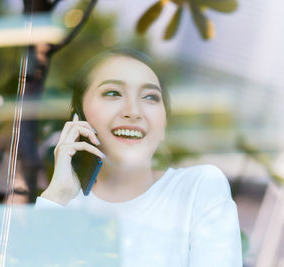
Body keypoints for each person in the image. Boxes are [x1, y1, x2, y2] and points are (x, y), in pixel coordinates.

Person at [35, 49, 243, 266]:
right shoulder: (63, 207)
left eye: (150, 97)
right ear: (78, 115)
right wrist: (57, 196)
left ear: (164, 125)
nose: (133, 111)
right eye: (113, 93)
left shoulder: (197, 189)